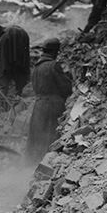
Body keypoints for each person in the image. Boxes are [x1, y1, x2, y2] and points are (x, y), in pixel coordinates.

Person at [26, 38, 72, 166]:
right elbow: (66, 88)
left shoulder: (37, 67)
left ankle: (32, 164)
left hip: (39, 105)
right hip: (53, 105)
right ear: (54, 51)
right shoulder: (54, 66)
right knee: (51, 136)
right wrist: (69, 77)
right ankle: (47, 164)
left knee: (37, 136)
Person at [0, 22, 30, 96]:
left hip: (9, 40)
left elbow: (2, 64)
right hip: (22, 63)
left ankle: (3, 101)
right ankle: (19, 97)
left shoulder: (4, 37)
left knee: (3, 76)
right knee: (20, 79)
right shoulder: (17, 30)